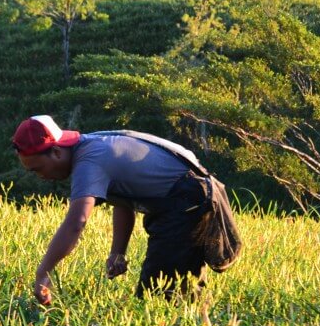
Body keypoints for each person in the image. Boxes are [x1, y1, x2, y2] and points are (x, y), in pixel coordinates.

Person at [12, 114, 217, 304]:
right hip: (183, 198)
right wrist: (117, 253)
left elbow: (76, 223)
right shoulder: (90, 145)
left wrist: (43, 271)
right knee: (177, 292)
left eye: (37, 168)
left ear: (56, 152)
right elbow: (123, 200)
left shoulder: (88, 161)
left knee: (156, 296)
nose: (39, 176)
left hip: (187, 199)